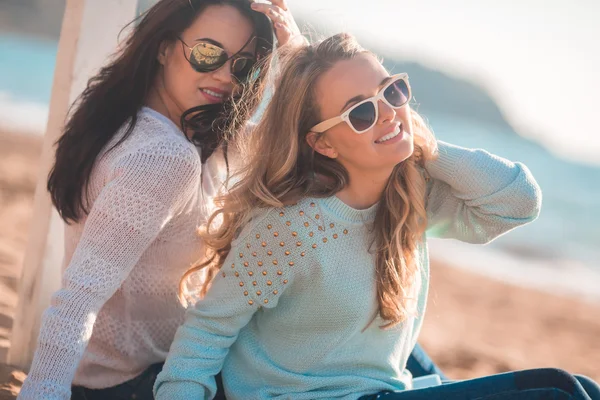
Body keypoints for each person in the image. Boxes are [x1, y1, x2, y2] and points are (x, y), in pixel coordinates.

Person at [154, 33, 597, 400]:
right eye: (361, 112)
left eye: (392, 91)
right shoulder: (290, 228)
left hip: (383, 391)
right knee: (561, 395)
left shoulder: (408, 199)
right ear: (323, 144)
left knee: (581, 388)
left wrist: (423, 143)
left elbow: (519, 203)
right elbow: (204, 337)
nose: (386, 111)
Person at [18, 0, 302, 399]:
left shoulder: (130, 119)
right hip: (139, 381)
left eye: (242, 66)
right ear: (165, 47)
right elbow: (78, 297)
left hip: (125, 372)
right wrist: (44, 391)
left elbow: (292, 138)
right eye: (208, 53)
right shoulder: (164, 158)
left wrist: (291, 54)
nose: (224, 77)